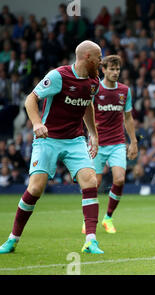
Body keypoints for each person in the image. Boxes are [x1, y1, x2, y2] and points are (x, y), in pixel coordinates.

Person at [0, 41, 104, 254]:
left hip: (74, 140)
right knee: (36, 188)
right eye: (99, 57)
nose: (101, 62)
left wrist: (93, 133)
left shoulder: (94, 81)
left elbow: (87, 105)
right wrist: (37, 123)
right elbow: (31, 100)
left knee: (90, 180)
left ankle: (91, 240)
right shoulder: (58, 76)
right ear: (87, 57)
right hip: (48, 138)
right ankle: (12, 239)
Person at [81, 55, 138, 235]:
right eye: (111, 69)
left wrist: (133, 142)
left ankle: (108, 218)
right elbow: (85, 111)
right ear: (103, 70)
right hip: (97, 142)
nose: (115, 72)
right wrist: (90, 133)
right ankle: (88, 220)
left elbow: (128, 118)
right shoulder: (95, 89)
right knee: (94, 183)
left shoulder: (124, 91)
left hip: (117, 142)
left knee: (120, 178)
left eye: (117, 69)